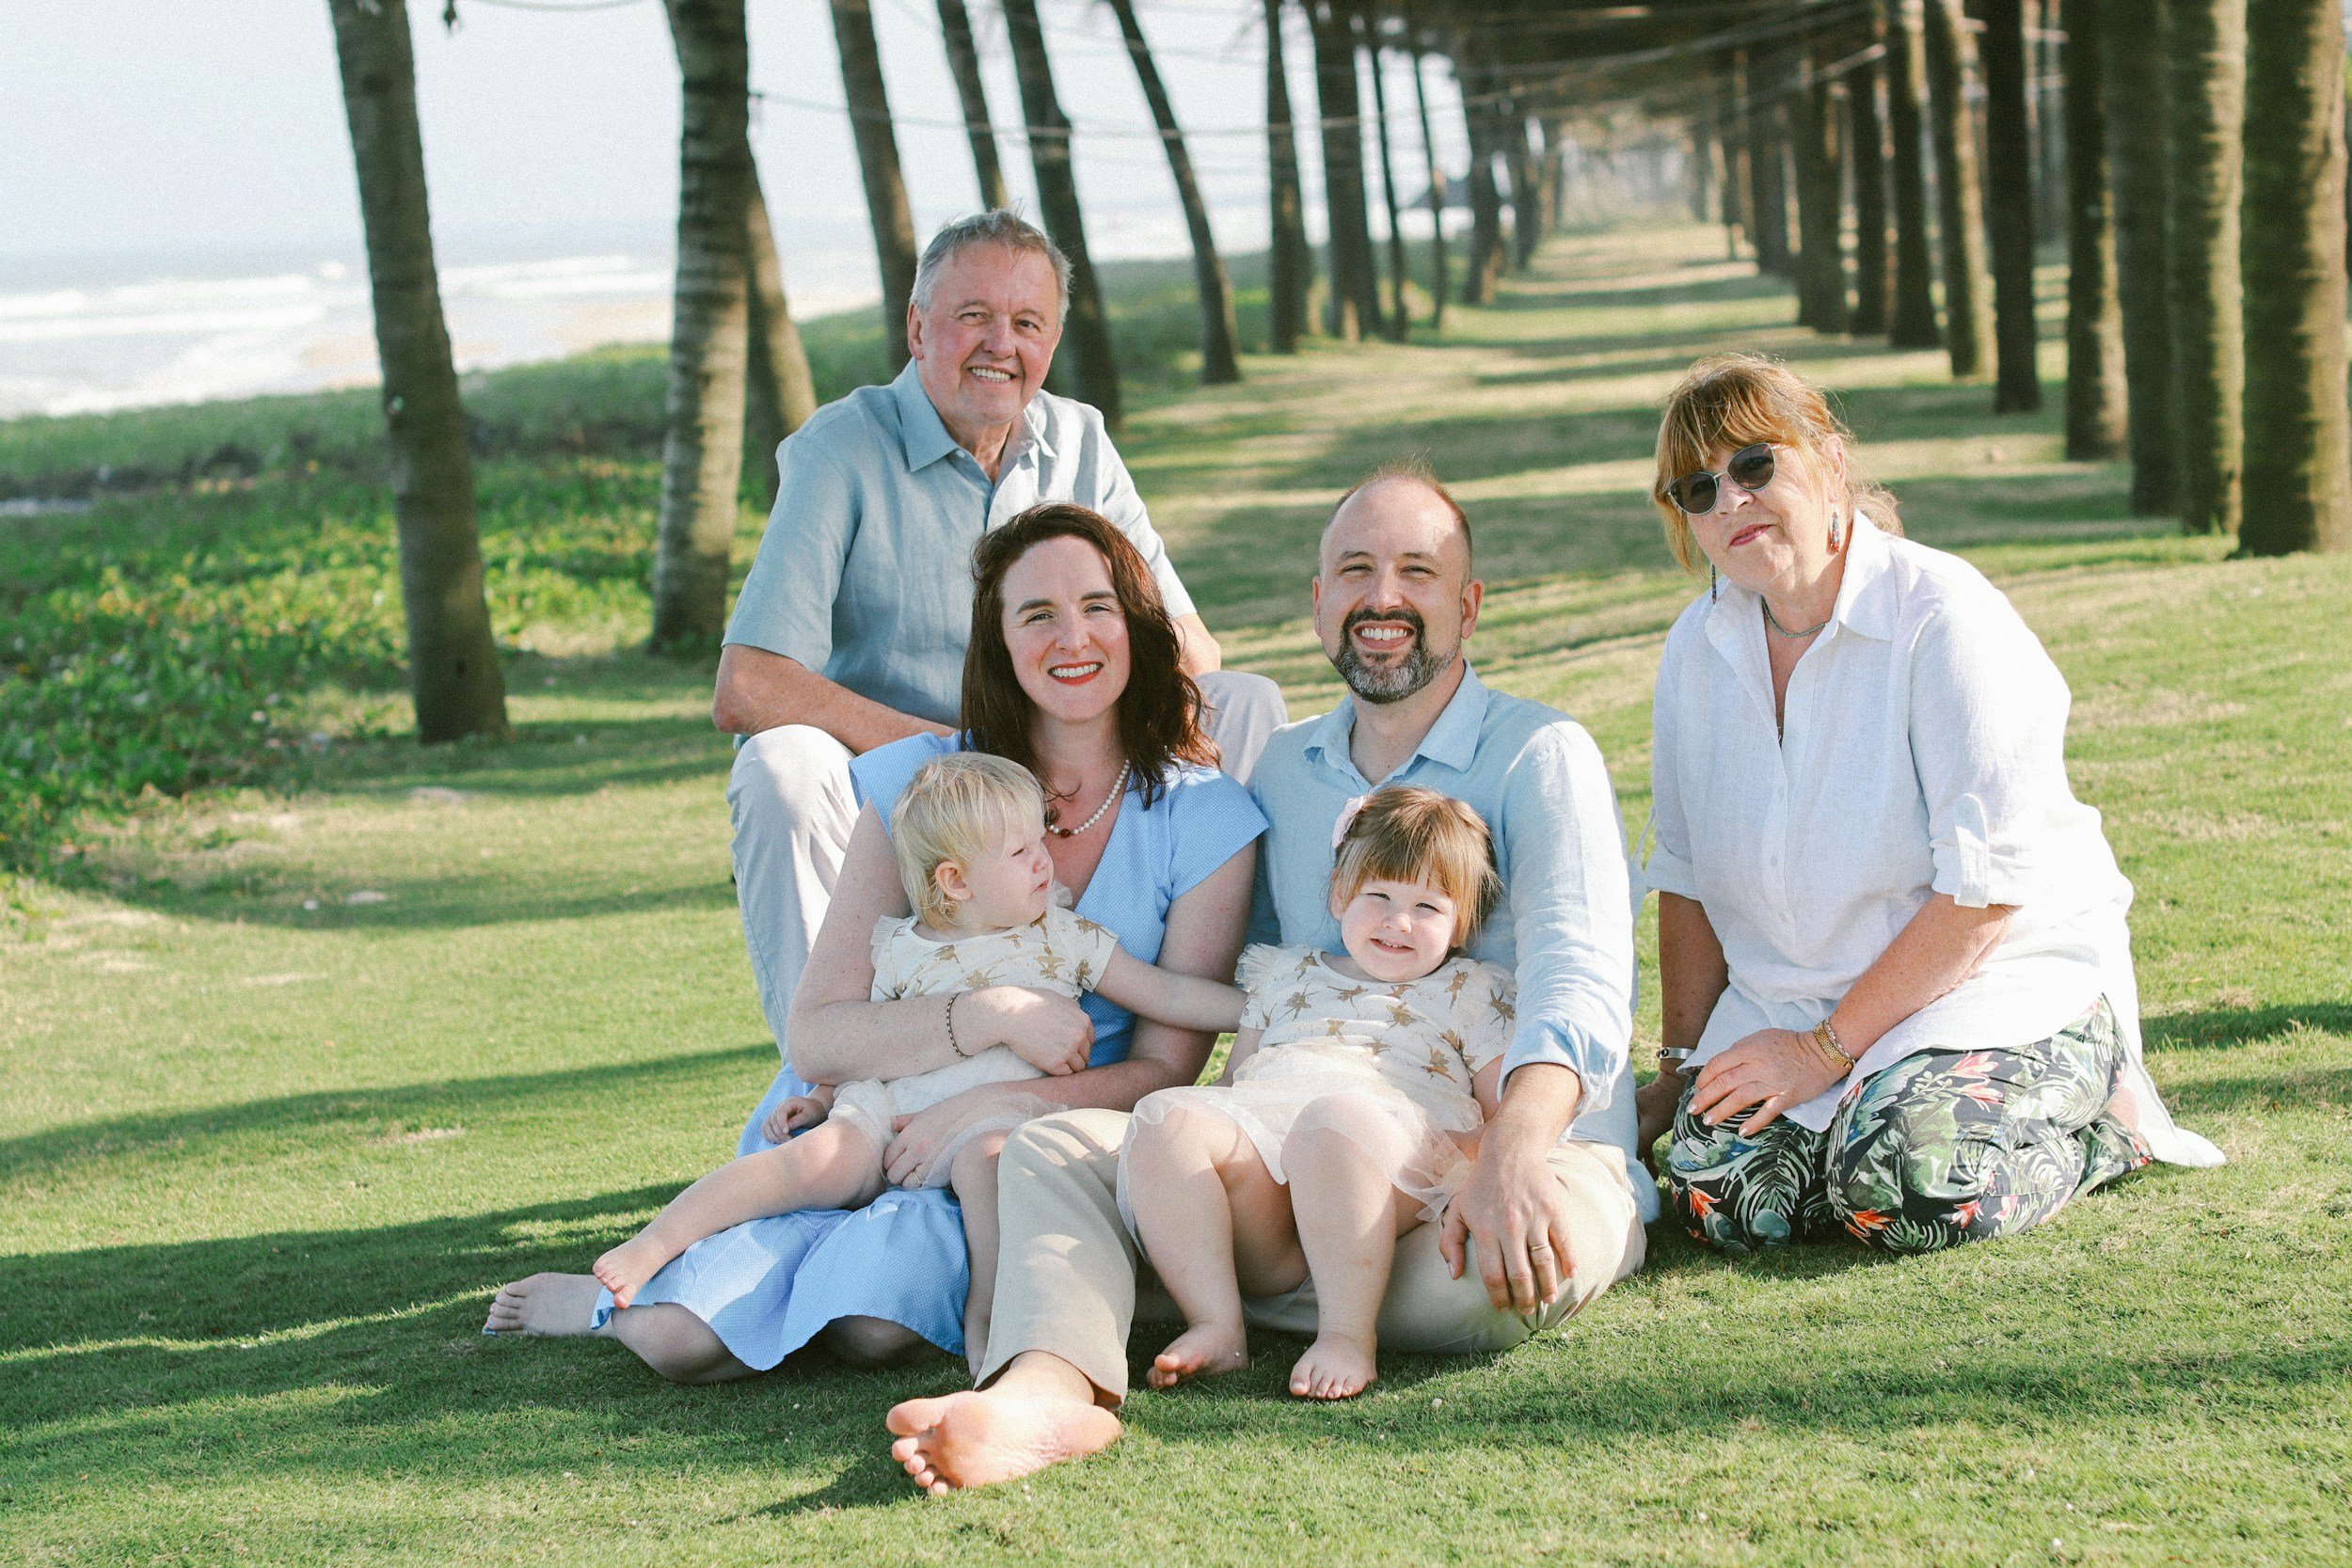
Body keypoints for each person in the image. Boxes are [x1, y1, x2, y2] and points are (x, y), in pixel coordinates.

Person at [883, 460, 1648, 1492]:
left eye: (1416, 572)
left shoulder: (1537, 752)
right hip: (1292, 1165)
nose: (1382, 598)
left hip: (1494, 1151)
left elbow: (1580, 984)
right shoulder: (1284, 770)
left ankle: (1201, 1286)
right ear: (1320, 601)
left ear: (1466, 605)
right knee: (1049, 1149)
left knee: (1477, 1288)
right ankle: (1045, 1394)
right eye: (1355, 570)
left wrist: (1507, 1153)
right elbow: (1262, 995)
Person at [485, 504, 1264, 1379]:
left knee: (872, 1322)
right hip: (852, 1114)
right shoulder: (926, 786)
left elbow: (1166, 1069)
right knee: (676, 1343)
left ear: (1138, 623)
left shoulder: (1205, 819)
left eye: (1097, 606)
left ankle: (862, 1301)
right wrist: (986, 1014)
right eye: (1036, 613)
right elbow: (817, 1034)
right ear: (999, 641)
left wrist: (978, 1108)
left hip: (1008, 1145)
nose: (1071, 636)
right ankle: (606, 1298)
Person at [1629, 353, 2222, 1257]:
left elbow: (1985, 895)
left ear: (1828, 462)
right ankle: (1862, 1127)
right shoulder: (1693, 650)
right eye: (1698, 489)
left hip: (1991, 986)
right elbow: (1686, 876)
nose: (1730, 501)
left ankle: (2109, 1122)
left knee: (1905, 1186)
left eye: (1754, 465)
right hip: (1794, 1005)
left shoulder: (1944, 616)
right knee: (1726, 1200)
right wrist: (1676, 1078)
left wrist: (1823, 1054)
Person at [588, 752, 1248, 1313]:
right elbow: (867, 1039)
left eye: (1039, 841)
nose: (1046, 862)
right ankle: (660, 1240)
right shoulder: (905, 948)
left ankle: (990, 1317)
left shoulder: (1062, 937)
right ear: (954, 881)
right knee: (812, 1161)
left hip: (990, 1120)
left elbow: (1168, 992)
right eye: (1021, 852)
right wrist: (819, 1098)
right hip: (886, 1110)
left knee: (989, 1167)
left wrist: (1257, 1007)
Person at [1122, 784, 1515, 1402]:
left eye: (1427, 907)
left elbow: (1504, 1117)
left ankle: (1346, 1333)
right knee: (1167, 1116)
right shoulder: (1285, 973)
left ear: (1462, 920)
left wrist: (1466, 1163)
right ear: (1339, 894)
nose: (1397, 921)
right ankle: (1216, 1323)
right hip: (1268, 1197)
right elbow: (1233, 1087)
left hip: (1377, 1154)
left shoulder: (1468, 988)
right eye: (1377, 895)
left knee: (1332, 1120)